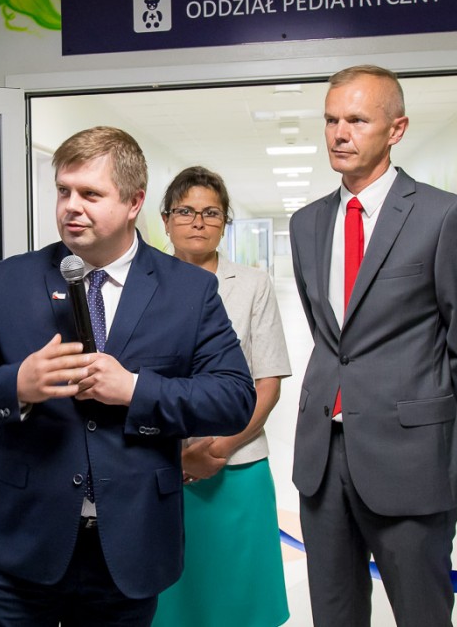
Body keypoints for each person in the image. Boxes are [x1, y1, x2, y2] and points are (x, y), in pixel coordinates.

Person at [0, 126, 256, 626]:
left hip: (129, 549)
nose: (71, 207)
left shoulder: (189, 291)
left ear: (134, 202)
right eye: (63, 191)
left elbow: (234, 399)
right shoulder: (12, 279)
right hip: (19, 546)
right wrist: (18, 385)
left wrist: (134, 390)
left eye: (90, 194)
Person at [290, 65, 457, 627]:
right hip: (323, 461)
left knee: (422, 615)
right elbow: (331, 337)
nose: (339, 134)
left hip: (411, 459)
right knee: (334, 616)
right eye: (331, 120)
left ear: (396, 129)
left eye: (357, 120)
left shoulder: (443, 216)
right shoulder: (306, 223)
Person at [151, 166, 291, 627]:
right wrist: (180, 454)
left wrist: (220, 448)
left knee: (240, 600)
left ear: (225, 222)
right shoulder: (140, 283)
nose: (198, 222)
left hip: (238, 466)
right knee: (170, 602)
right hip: (160, 467)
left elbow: (267, 382)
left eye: (211, 213)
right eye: (185, 211)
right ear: (165, 219)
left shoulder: (252, 285)